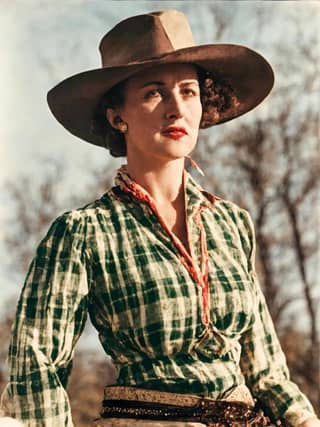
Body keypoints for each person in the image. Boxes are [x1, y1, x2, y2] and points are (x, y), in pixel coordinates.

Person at [0, 9, 319, 427]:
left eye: (188, 92)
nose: (176, 108)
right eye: (154, 92)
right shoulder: (83, 233)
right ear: (118, 116)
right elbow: (36, 366)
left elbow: (267, 373)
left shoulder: (231, 223)